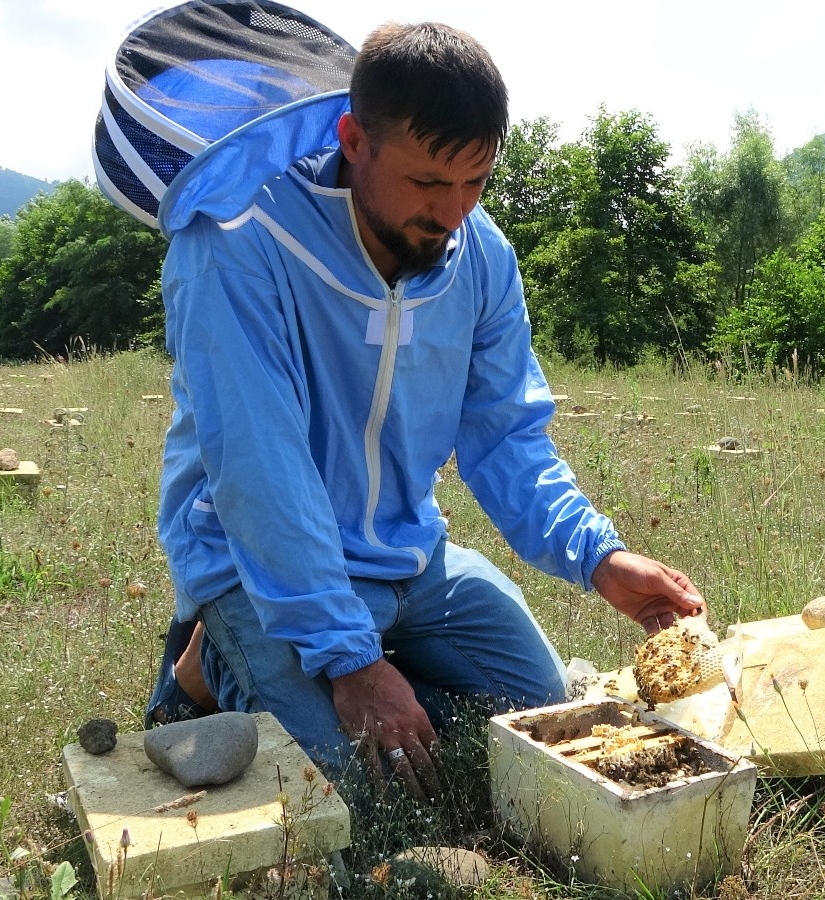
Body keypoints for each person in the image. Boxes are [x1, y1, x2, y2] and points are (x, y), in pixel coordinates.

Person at [146, 20, 703, 797]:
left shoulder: (484, 257)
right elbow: (257, 466)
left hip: (410, 559)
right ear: (354, 138)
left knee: (542, 724)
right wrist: (351, 664)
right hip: (251, 558)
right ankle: (220, 654)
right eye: (426, 183)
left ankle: (263, 664)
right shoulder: (239, 237)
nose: (451, 213)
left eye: (475, 182)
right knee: (364, 796)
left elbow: (506, 435)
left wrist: (598, 557)